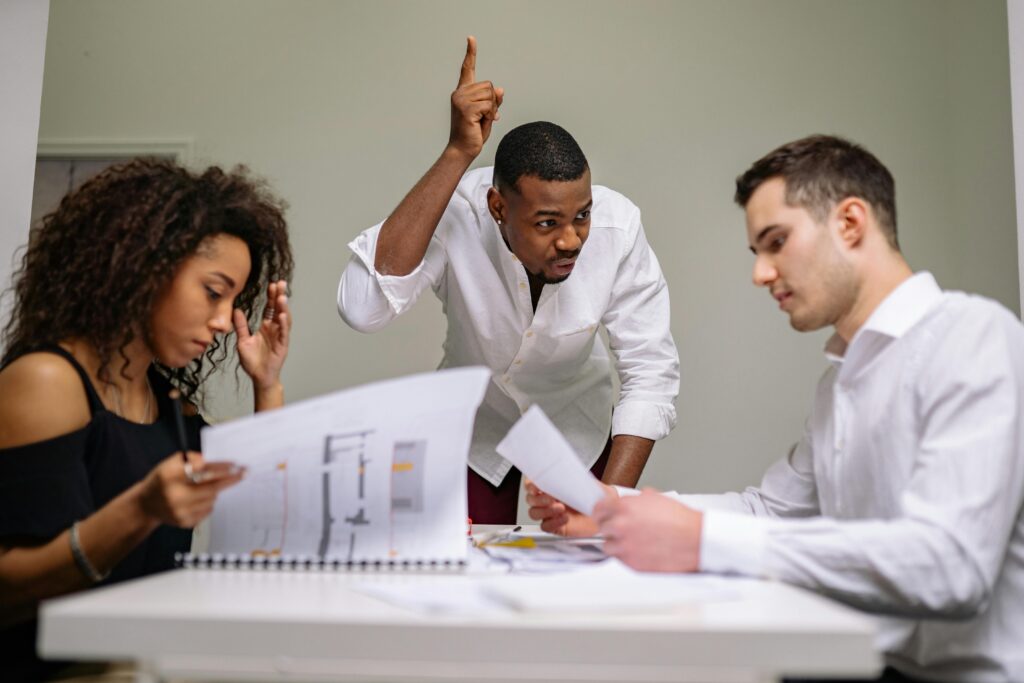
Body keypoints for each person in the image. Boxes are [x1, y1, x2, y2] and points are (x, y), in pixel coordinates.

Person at [528, 135, 1024, 683]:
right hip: (861, 663)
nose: (761, 274)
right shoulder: (841, 383)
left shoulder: (975, 338)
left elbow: (949, 566)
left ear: (851, 224)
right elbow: (772, 513)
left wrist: (703, 541)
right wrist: (609, 506)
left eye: (776, 242)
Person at [337, 37, 679, 523]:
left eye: (580, 216)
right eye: (546, 223)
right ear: (499, 208)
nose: (571, 241)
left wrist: (609, 510)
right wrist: (457, 153)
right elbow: (362, 308)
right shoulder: (456, 213)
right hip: (476, 424)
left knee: (582, 568)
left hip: (577, 421)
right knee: (463, 566)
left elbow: (651, 375)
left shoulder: (617, 227)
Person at [0, 158, 294, 681]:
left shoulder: (167, 399)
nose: (225, 323)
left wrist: (266, 383)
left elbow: (261, 506)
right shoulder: (47, 382)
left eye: (233, 301)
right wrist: (140, 509)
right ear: (145, 267)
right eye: (213, 291)